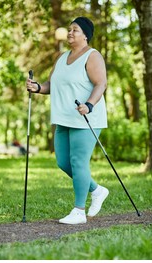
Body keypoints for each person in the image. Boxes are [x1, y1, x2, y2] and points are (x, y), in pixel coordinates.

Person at [26, 17, 109, 225]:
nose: (70, 33)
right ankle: (97, 190)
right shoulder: (62, 58)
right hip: (63, 117)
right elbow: (51, 84)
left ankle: (79, 211)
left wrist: (89, 104)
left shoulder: (92, 56)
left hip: (86, 117)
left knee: (78, 162)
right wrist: (37, 88)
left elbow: (101, 84)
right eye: (69, 29)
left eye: (75, 30)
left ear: (86, 35)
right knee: (63, 162)